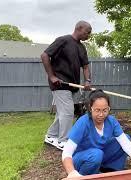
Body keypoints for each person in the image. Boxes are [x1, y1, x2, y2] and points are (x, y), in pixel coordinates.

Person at [61, 90, 131, 178]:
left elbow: (126, 144)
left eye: (105, 110)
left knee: (125, 138)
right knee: (96, 154)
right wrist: (72, 172)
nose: (101, 114)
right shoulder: (83, 123)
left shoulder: (111, 121)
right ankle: (85, 176)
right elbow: (67, 152)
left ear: (109, 109)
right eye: (97, 110)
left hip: (98, 155)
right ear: (90, 108)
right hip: (80, 160)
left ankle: (109, 171)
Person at [41, 20, 92, 150]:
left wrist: (87, 81)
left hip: (72, 85)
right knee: (68, 112)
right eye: (87, 32)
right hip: (60, 83)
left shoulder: (81, 47)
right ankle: (63, 140)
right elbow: (45, 55)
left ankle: (51, 136)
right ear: (79, 28)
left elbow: (85, 66)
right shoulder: (63, 40)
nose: (88, 36)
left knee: (62, 113)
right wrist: (52, 76)